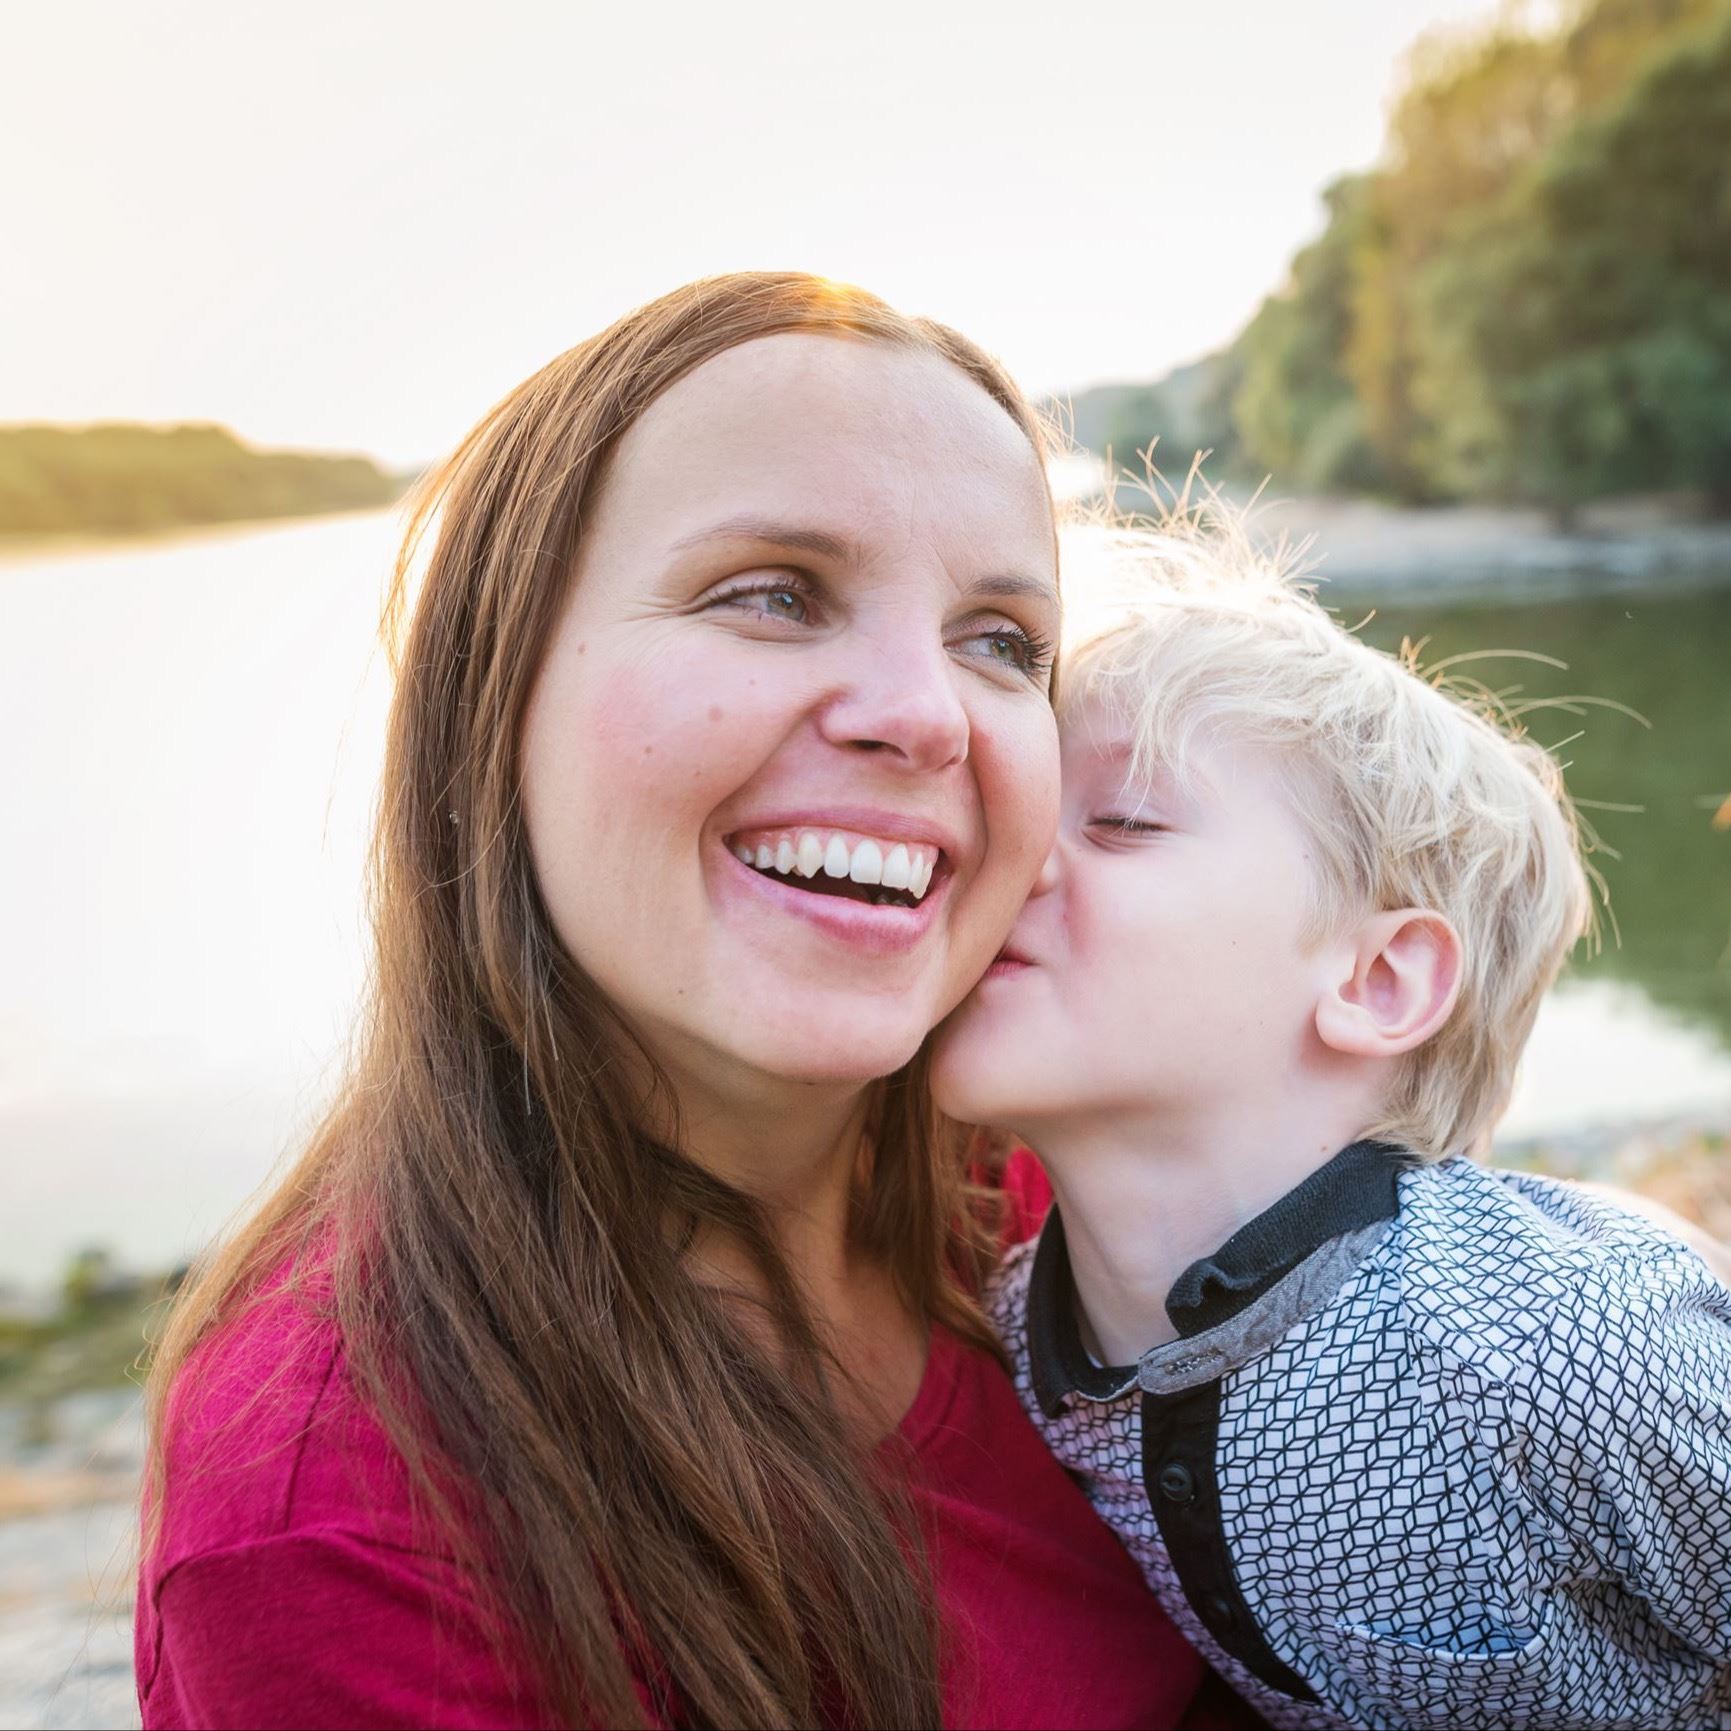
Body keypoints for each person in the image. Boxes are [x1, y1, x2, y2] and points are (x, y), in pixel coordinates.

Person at [135, 275, 1218, 1730]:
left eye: (1000, 640)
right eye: (771, 592)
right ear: (491, 690)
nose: (922, 709)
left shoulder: (1074, 1187)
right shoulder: (348, 1511)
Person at [932, 521, 1731, 1730]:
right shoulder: (1013, 1335)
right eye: (1025, 808)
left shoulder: (1566, 1344)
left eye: (1124, 823)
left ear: (1378, 984)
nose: (1011, 859)